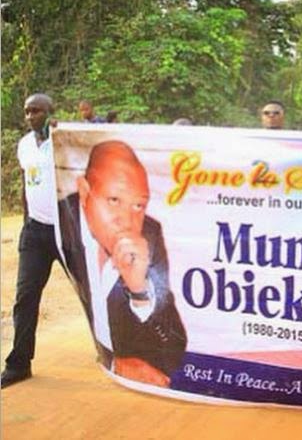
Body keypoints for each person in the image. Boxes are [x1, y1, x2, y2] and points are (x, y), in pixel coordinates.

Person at [58, 140, 187, 387]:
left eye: (138, 205)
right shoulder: (60, 223)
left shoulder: (148, 234)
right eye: (114, 200)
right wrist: (116, 364)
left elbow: (173, 348)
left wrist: (139, 291)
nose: (127, 221)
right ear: (84, 192)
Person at [1, 93, 64, 388]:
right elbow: (27, 184)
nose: (30, 117)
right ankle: (19, 364)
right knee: (25, 297)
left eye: (36, 111)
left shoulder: (65, 141)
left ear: (51, 112)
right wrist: (27, 220)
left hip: (67, 233)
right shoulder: (25, 145)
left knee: (92, 295)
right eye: (27, 112)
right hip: (36, 232)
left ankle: (115, 354)